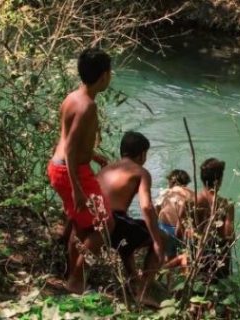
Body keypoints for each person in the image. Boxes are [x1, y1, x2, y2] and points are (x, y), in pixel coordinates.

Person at [47, 48, 114, 294]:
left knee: (83, 225)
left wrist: (93, 155)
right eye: (110, 72)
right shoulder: (87, 107)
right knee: (105, 225)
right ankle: (77, 280)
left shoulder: (73, 97)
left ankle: (70, 276)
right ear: (104, 76)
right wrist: (76, 188)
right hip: (71, 171)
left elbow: (67, 139)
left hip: (61, 167)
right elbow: (72, 149)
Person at [96, 131, 167, 307]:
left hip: (96, 222)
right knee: (162, 237)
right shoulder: (140, 172)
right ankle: (142, 292)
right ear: (142, 154)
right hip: (114, 221)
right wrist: (157, 239)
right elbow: (146, 207)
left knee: (129, 233)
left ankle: (132, 280)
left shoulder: (107, 168)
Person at [192, 158, 234, 282]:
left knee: (198, 283)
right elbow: (228, 234)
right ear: (219, 180)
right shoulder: (226, 204)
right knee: (219, 286)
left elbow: (180, 231)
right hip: (219, 252)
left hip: (196, 250)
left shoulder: (191, 201)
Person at [155, 169, 194, 261]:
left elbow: (156, 207)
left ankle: (169, 273)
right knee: (184, 257)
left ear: (172, 182)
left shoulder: (167, 192)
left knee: (169, 257)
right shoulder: (192, 193)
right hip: (183, 231)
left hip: (166, 229)